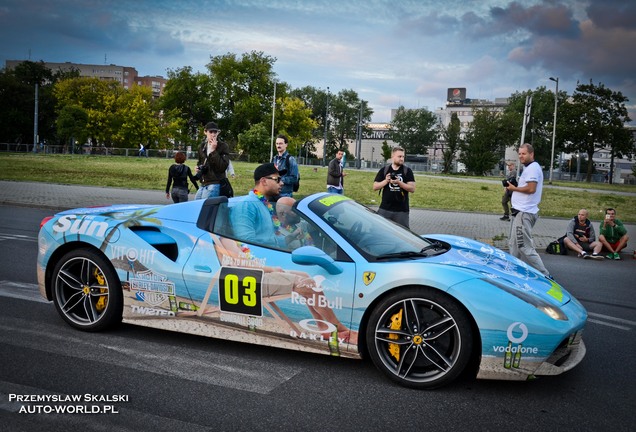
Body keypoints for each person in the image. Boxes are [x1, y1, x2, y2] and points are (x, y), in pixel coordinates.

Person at [505, 143, 551, 277]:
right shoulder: (529, 168)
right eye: (519, 153)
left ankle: (546, 276)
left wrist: (514, 189)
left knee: (524, 247)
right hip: (519, 212)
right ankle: (513, 272)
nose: (521, 156)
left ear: (531, 154)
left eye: (523, 153)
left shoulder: (533, 169)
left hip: (524, 213)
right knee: (513, 245)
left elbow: (531, 189)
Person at [231, 163, 287, 248]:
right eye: (278, 179)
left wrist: (293, 237)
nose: (282, 183)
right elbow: (246, 243)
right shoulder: (247, 205)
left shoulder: (265, 204)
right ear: (264, 181)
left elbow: (270, 239)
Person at [372, 146, 416, 228]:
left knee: (403, 234)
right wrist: (386, 181)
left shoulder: (407, 171)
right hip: (385, 208)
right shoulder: (384, 170)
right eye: (399, 156)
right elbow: (375, 187)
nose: (402, 159)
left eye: (403, 156)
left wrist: (399, 182)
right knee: (379, 230)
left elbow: (412, 188)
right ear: (392, 157)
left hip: (401, 210)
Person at [194, 121, 230, 200]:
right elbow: (200, 161)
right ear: (205, 132)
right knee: (197, 206)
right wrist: (198, 167)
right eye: (211, 132)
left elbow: (222, 167)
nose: (213, 134)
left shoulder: (223, 146)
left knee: (206, 208)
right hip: (203, 182)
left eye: (215, 132)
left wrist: (213, 151)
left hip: (215, 182)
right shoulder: (202, 146)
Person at [271, 134, 299, 199]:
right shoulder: (274, 158)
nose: (278, 145)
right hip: (273, 193)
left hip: (285, 194)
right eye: (277, 143)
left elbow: (295, 178)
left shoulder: (290, 159)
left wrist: (281, 180)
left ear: (286, 145)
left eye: (280, 143)